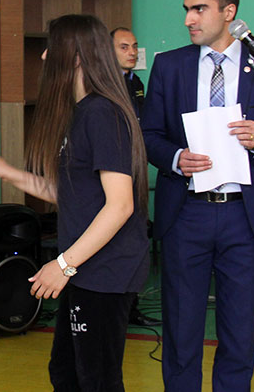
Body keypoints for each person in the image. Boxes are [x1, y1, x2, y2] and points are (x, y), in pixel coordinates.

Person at [140, 0, 254, 391]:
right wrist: (175, 158)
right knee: (181, 327)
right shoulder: (170, 66)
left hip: (244, 216)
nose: (189, 20)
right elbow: (148, 135)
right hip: (187, 213)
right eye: (186, 10)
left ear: (229, 12)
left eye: (199, 9)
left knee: (238, 331)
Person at [0, 14, 149, 391]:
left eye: (51, 47)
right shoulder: (82, 112)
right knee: (66, 373)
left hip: (105, 272)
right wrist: (4, 171)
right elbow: (71, 192)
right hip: (84, 269)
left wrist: (63, 265)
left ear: (75, 57)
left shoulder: (103, 113)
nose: (44, 56)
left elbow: (120, 205)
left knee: (96, 379)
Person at [110, 26, 160, 328]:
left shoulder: (136, 83)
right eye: (124, 47)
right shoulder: (104, 84)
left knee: (136, 237)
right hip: (113, 170)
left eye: (134, 47)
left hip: (137, 167)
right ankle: (116, 308)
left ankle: (132, 306)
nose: (131, 53)